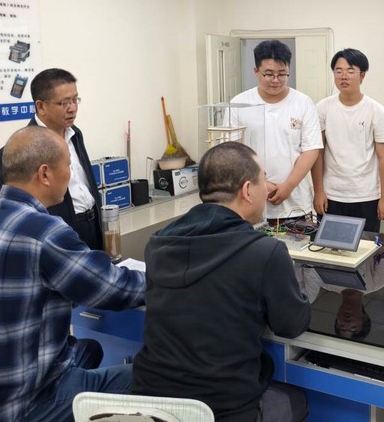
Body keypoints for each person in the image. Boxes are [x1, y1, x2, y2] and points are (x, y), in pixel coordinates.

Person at [0, 126, 146, 422]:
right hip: (27, 403)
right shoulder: (45, 233)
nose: (71, 174)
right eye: (68, 166)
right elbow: (113, 288)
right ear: (45, 174)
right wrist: (166, 278)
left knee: (89, 348)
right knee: (152, 375)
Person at [132, 141, 311, 422]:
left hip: (153, 407)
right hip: (226, 409)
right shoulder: (265, 252)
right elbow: (291, 325)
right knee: (294, 399)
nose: (267, 189)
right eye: (264, 180)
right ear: (247, 190)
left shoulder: (158, 244)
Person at [0, 68, 102, 249]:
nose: (72, 108)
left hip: (93, 224)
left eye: (75, 100)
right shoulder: (20, 150)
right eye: (64, 103)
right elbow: (13, 209)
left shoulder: (75, 134)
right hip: (56, 235)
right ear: (41, 106)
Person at [230, 40, 322, 226]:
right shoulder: (239, 104)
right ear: (256, 71)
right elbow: (233, 152)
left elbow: (311, 150)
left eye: (282, 74)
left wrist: (288, 186)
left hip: (295, 204)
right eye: (269, 74)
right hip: (250, 203)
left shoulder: (303, 103)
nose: (275, 80)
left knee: (297, 246)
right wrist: (261, 184)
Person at [312, 48, 384, 233]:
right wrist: (318, 191)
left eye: (350, 71)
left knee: (366, 246)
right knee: (329, 246)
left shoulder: (377, 111)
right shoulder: (323, 108)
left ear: (362, 75)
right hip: (332, 195)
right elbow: (318, 153)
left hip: (367, 195)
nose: (343, 76)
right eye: (338, 71)